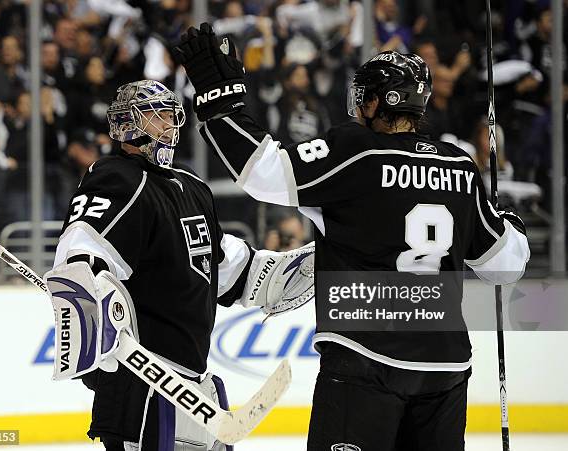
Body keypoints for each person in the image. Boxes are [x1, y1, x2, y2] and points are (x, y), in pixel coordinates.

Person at [175, 24, 530, 451]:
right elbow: (504, 266)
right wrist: (514, 226)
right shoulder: (458, 164)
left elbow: (263, 171)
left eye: (365, 94)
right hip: (444, 366)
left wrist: (221, 103)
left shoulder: (356, 150)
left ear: (380, 101)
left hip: (365, 359)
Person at [44, 79, 315, 451]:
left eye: (171, 114)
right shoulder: (115, 178)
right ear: (127, 125)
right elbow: (80, 259)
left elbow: (224, 269)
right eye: (156, 115)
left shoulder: (191, 186)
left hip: (195, 389)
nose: (169, 124)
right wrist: (95, 332)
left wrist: (286, 272)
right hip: (141, 386)